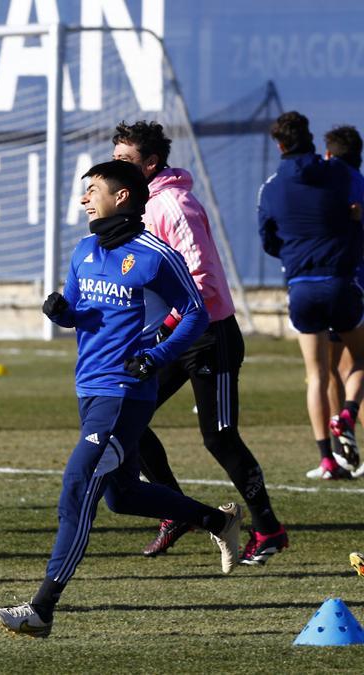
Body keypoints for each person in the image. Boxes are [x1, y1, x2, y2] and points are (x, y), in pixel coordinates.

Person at [0, 160, 241, 638]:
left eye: (93, 190)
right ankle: (215, 520)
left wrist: (157, 355)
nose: (84, 200)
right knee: (122, 497)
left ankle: (43, 607)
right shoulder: (83, 250)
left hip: (126, 392)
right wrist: (64, 314)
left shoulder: (156, 255)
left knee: (78, 485)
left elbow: (196, 314)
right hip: (88, 387)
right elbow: (83, 314)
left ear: (122, 197)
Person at [110, 121, 286, 563]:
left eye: (124, 161)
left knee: (220, 437)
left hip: (209, 335)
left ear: (150, 164)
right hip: (171, 333)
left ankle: (269, 530)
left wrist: (167, 322)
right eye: (114, 159)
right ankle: (174, 509)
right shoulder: (137, 205)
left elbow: (202, 280)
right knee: (125, 416)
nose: (115, 168)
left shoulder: (175, 204)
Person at [258, 111, 364, 480]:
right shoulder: (338, 174)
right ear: (310, 139)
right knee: (358, 360)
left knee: (317, 374)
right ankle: (348, 414)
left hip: (301, 286)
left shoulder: (272, 187)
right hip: (340, 280)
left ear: (280, 145)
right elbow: (357, 213)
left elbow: (268, 238)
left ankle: (327, 459)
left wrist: (294, 252)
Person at [321, 125, 364, 475]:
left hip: (341, 282)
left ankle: (337, 455)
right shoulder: (357, 183)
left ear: (331, 155)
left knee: (330, 369)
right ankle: (341, 449)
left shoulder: (334, 186)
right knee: (348, 367)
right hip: (350, 283)